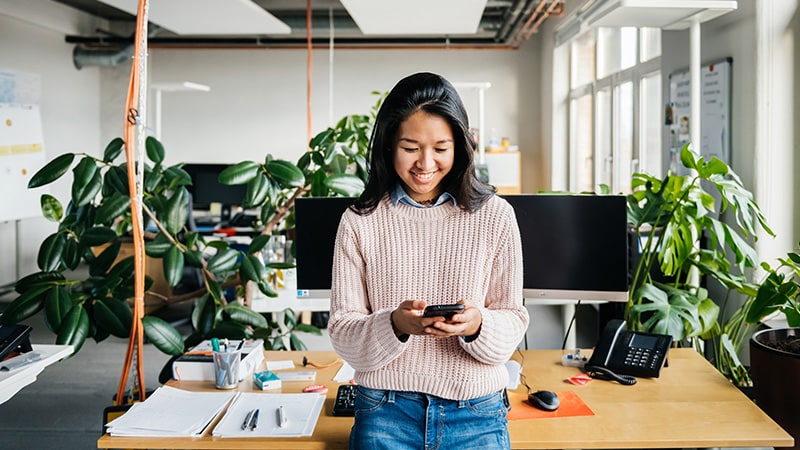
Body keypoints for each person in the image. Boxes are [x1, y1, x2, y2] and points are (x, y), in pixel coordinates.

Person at [328, 71, 529, 449]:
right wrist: (396, 325)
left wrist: (476, 325)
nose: (425, 162)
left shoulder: (496, 216)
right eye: (410, 147)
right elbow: (343, 331)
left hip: (477, 414)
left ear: (460, 147)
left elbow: (513, 318)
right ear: (389, 145)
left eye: (440, 147)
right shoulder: (358, 222)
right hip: (385, 412)